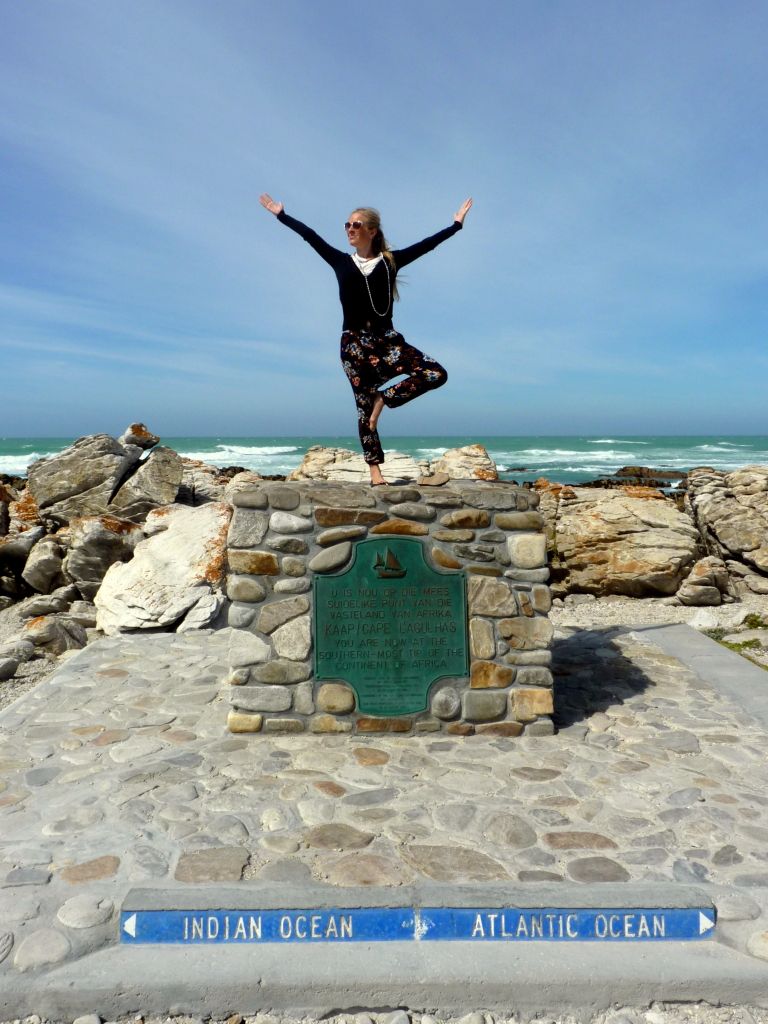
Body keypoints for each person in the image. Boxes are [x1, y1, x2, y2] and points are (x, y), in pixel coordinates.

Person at [259, 193, 472, 485]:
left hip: (388, 341)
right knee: (362, 408)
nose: (350, 229)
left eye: (356, 225)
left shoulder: (390, 262)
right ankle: (375, 473)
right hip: (354, 345)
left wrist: (455, 225)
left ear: (371, 231)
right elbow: (310, 236)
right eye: (347, 225)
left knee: (436, 373)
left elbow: (427, 245)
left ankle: (383, 397)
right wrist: (282, 215)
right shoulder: (341, 262)